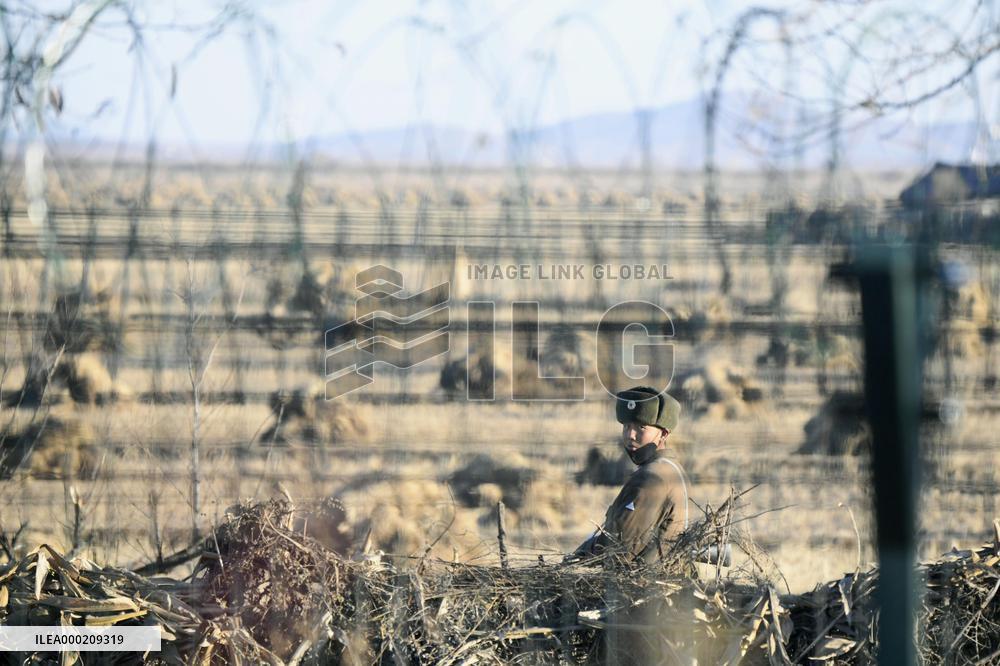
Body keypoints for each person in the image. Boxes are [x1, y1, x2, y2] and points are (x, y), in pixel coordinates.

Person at [569, 385, 689, 564]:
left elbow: (619, 549)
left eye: (641, 427)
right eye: (626, 426)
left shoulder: (651, 478)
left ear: (663, 433)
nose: (630, 435)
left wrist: (579, 556)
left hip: (643, 581)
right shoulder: (672, 468)